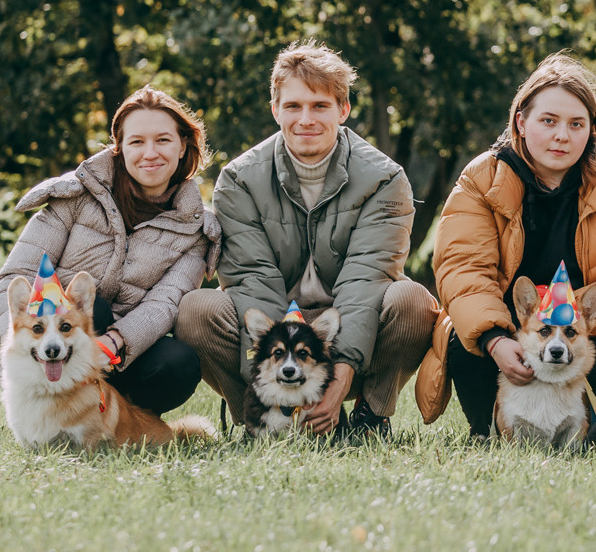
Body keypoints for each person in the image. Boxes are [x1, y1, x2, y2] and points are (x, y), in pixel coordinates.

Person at [176, 43, 437, 439]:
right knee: (196, 309)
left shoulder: (386, 179)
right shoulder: (239, 180)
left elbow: (366, 281)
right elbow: (252, 281)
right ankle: (259, 417)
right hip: (275, 327)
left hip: (348, 319)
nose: (306, 119)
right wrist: (273, 382)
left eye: (320, 106)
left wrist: (340, 375)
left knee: (413, 301)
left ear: (343, 110)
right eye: (294, 106)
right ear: (275, 109)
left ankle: (369, 418)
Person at [414, 53, 596, 436]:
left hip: (593, 323)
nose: (562, 135)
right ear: (521, 122)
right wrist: (495, 340)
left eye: (577, 124)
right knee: (466, 344)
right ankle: (491, 428)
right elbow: (463, 268)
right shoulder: (482, 179)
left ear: (592, 129)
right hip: (510, 321)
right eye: (549, 121)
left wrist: (575, 314)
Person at [0, 87, 216, 417]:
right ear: (119, 147)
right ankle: (49, 412)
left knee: (179, 362)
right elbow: (14, 275)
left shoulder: (196, 228)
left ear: (183, 146)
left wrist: (116, 342)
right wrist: (28, 338)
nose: (150, 152)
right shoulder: (75, 196)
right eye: (136, 141)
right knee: (97, 312)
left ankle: (117, 420)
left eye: (163, 140)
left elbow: (165, 301)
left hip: (117, 356)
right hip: (45, 342)